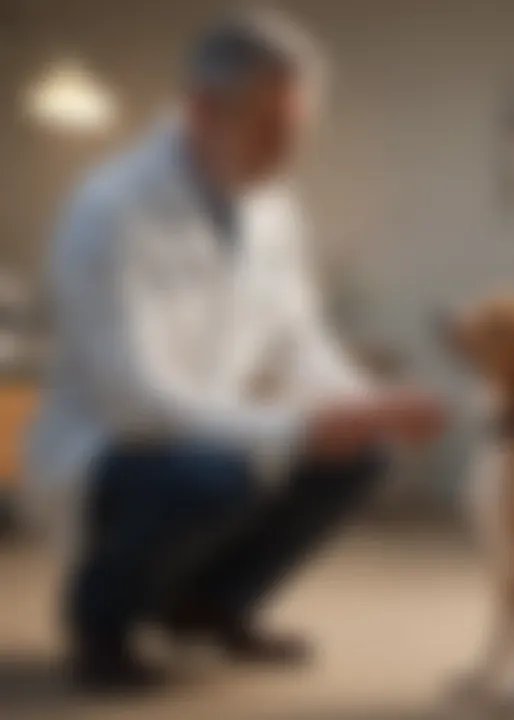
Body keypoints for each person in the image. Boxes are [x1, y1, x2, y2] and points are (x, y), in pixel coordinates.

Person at [27, 13, 447, 691]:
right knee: (214, 477)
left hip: (207, 431)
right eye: (270, 130)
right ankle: (99, 621)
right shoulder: (108, 210)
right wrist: (298, 426)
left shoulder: (271, 206)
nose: (287, 154)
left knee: (363, 455)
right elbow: (135, 402)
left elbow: (297, 338)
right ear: (202, 110)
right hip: (105, 449)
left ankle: (210, 606)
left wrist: (371, 408)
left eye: (297, 133)